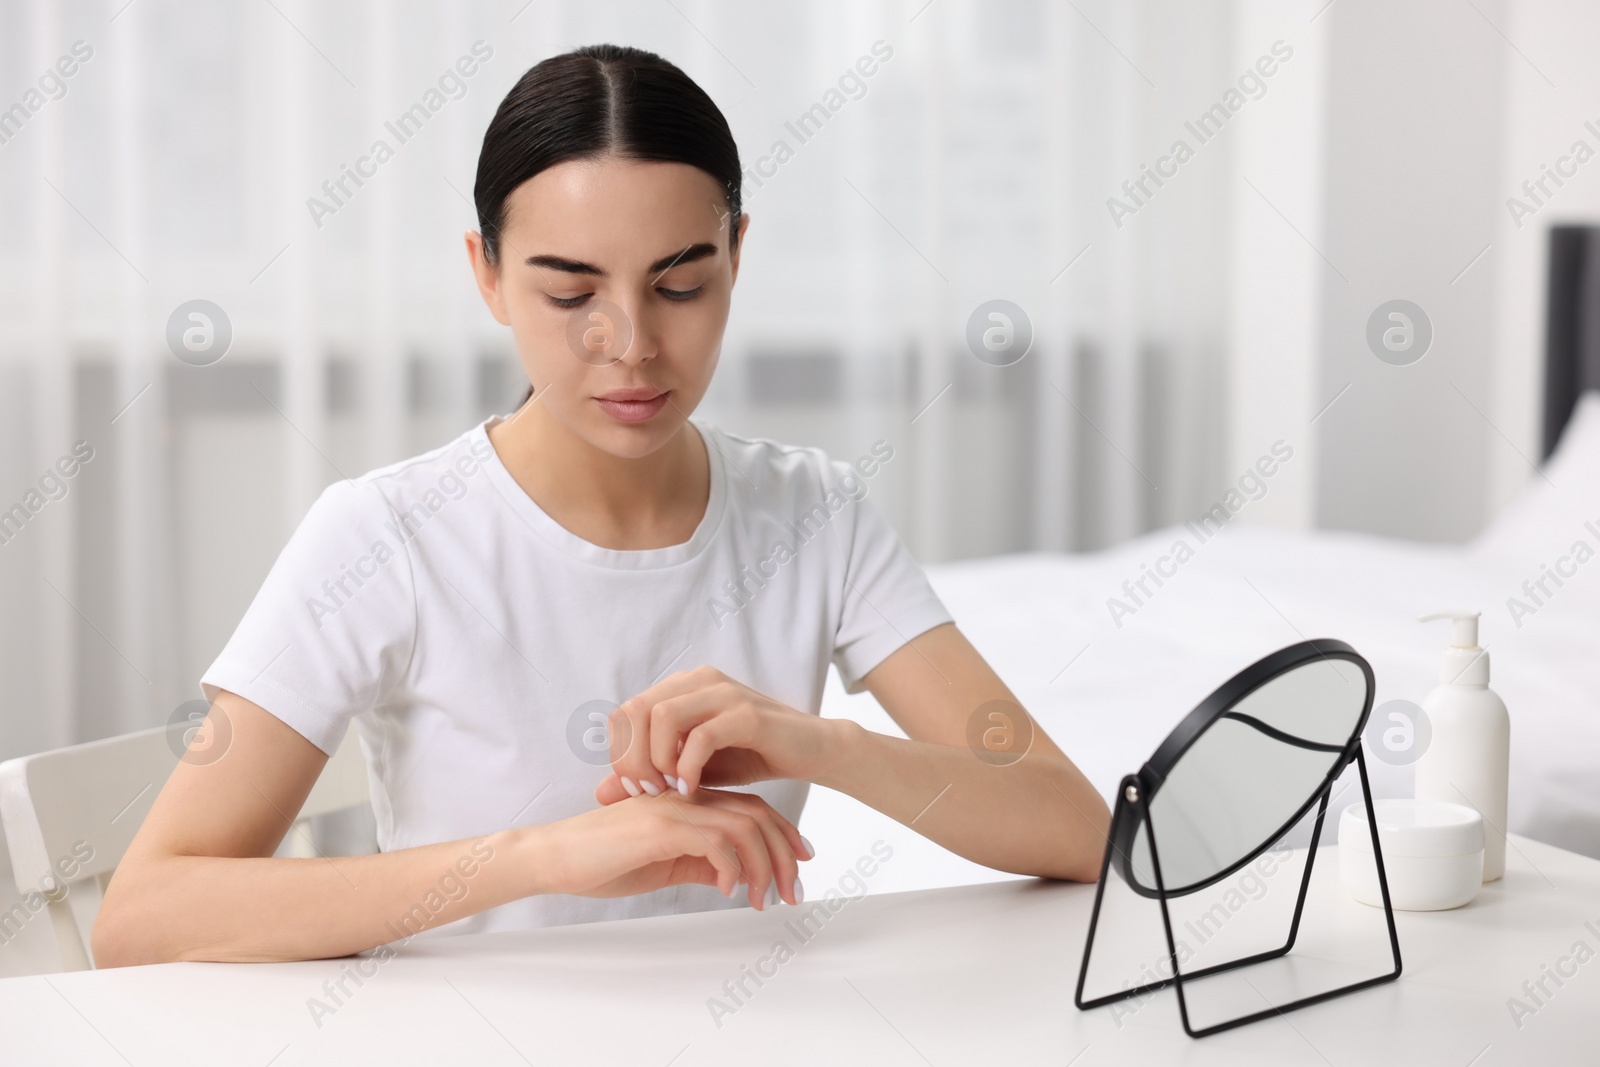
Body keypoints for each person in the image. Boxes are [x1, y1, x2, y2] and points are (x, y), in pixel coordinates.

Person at [92, 43, 1109, 967]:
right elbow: (144, 913)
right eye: (571, 293)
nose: (628, 343)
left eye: (678, 286)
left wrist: (818, 742)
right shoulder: (386, 534)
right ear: (485, 274)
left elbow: (1074, 828)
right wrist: (545, 856)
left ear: (736, 257)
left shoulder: (813, 511)